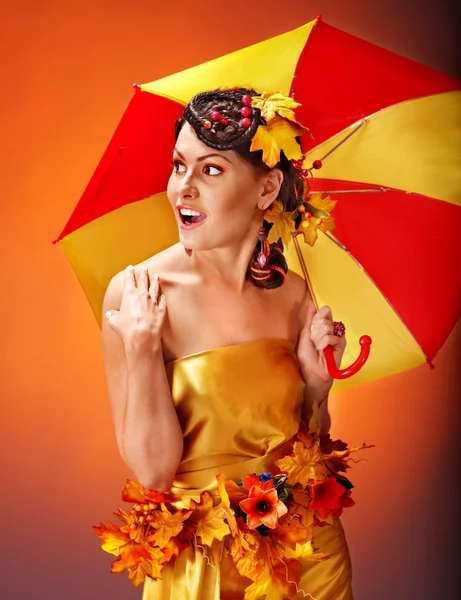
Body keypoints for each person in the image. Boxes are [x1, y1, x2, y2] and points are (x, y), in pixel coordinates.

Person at [101, 88, 359, 599]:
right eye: (179, 166)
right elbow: (153, 471)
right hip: (204, 568)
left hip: (308, 556)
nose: (183, 189)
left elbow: (310, 440)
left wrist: (317, 385)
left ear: (267, 188)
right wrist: (141, 346)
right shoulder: (139, 294)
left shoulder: (294, 293)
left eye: (210, 170)